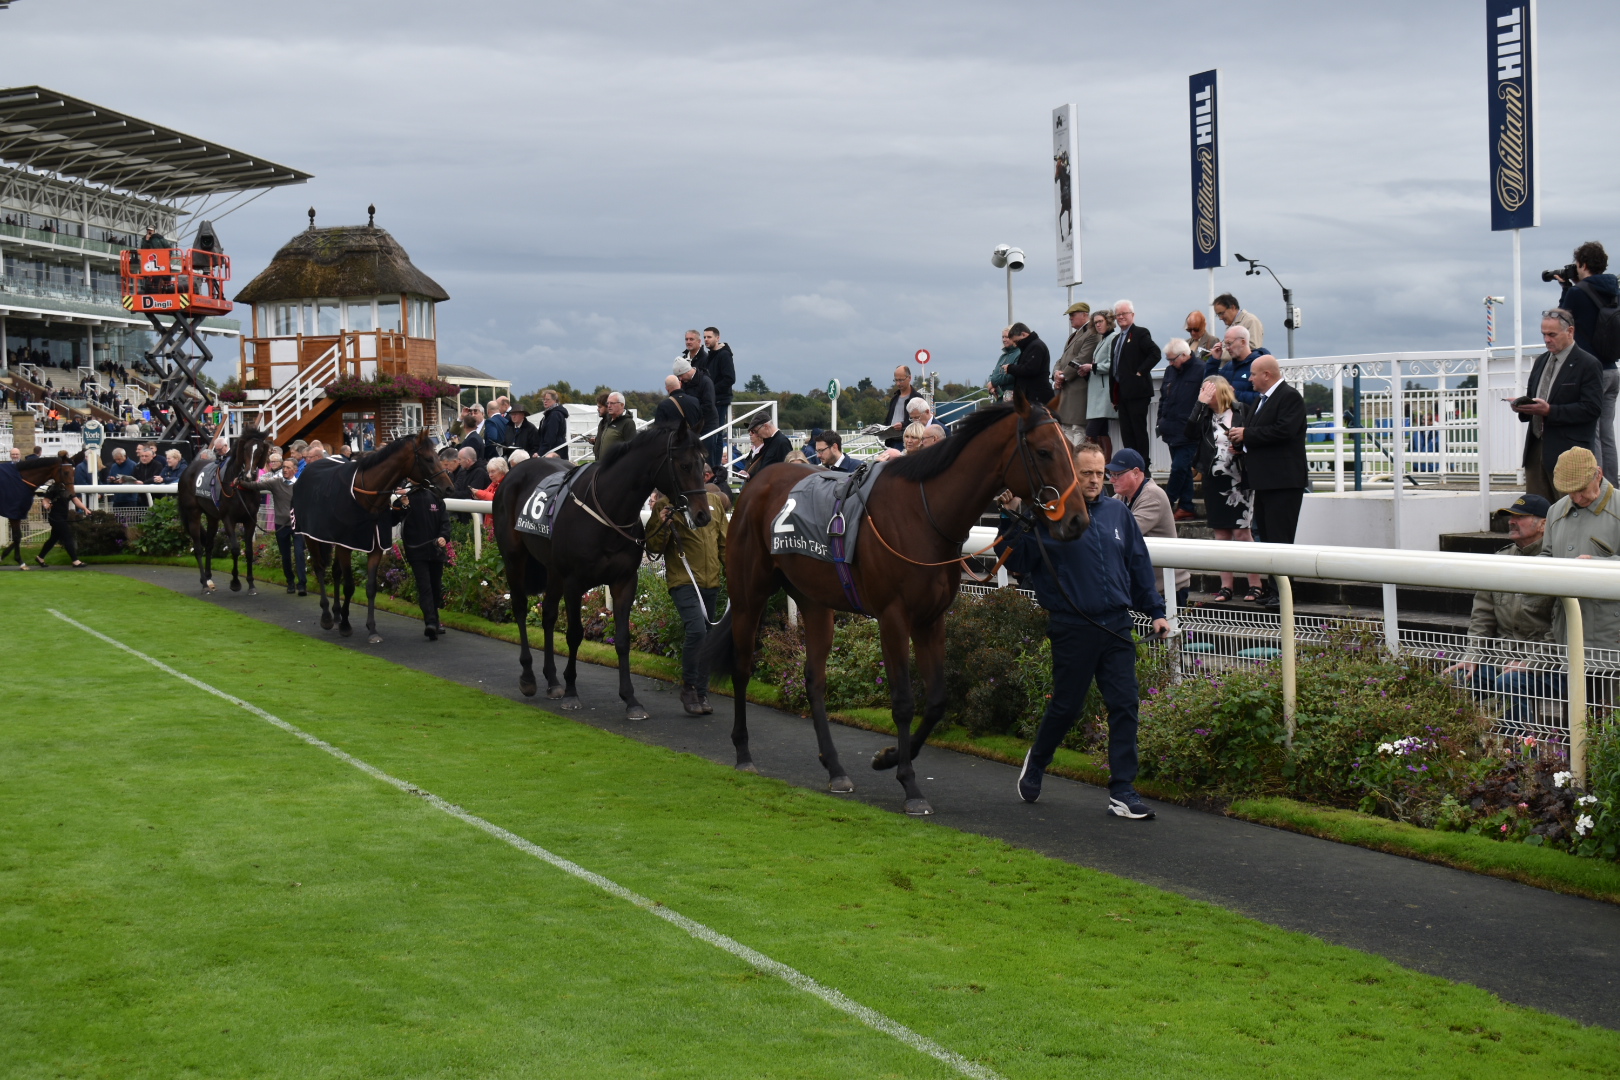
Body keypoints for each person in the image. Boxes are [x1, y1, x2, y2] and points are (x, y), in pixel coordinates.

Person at [995, 441, 1168, 818]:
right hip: (1072, 627)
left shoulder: (1118, 514)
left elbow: (1138, 564)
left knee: (1125, 705)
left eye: (1099, 473)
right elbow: (1018, 561)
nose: (1094, 480)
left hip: (1118, 625)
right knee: (1067, 707)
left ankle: (1123, 791)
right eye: (1086, 473)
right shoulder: (1047, 515)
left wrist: (1156, 611)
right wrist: (1011, 516)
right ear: (1071, 473)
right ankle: (1038, 762)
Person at [1442, 494, 1557, 733]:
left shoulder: (1558, 563)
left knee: (1509, 682)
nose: (1512, 521)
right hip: (1500, 658)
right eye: (1510, 517)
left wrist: (1531, 662)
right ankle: (1463, 755)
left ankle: (1519, 758)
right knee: (1453, 681)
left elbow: (1562, 629)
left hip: (1549, 663)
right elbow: (1482, 618)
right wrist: (1472, 656)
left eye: (1521, 517)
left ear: (1544, 523)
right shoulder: (1499, 561)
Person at [645, 484, 729, 714]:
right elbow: (653, 547)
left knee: (708, 637)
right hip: (683, 580)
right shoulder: (666, 505)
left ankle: (701, 694)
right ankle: (689, 688)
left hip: (711, 581)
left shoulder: (714, 503)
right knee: (697, 631)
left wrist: (734, 574)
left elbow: (724, 543)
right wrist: (662, 524)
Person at [1231, 356, 1308, 604]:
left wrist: (1247, 434)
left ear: (1267, 374)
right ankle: (1276, 591)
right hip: (1265, 482)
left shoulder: (1289, 397)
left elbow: (1284, 431)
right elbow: (1262, 434)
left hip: (1284, 482)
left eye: (1253, 374)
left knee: (1280, 539)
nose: (1249, 379)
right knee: (1268, 538)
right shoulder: (1261, 401)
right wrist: (1241, 444)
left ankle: (1284, 593)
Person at [1186, 375, 1263, 602]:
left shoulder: (1241, 410)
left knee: (1242, 532)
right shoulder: (1204, 415)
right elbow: (1189, 433)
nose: (1204, 394)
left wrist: (1242, 447)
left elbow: (1255, 437)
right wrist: (1199, 403)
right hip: (1213, 478)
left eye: (1207, 391)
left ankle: (1255, 583)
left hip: (1239, 478)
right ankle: (1226, 585)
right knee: (1221, 533)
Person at [1513, 309, 1603, 501]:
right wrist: (1523, 407)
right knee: (1538, 515)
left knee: (1570, 512)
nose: (1546, 340)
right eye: (1544, 334)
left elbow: (1592, 409)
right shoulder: (1541, 361)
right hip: (1536, 449)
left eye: (1552, 334)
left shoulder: (1588, 364)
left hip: (1569, 452)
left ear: (1570, 332)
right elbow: (1533, 396)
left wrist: (1550, 411)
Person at [1553, 242, 1620, 482]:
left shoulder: (1577, 292)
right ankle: (1613, 488)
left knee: (1593, 433)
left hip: (1592, 371)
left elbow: (1560, 320)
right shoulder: (1614, 290)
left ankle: (1598, 486)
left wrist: (1565, 288)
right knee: (1607, 434)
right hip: (1612, 370)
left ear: (1582, 264)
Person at [1543, 447, 1620, 649]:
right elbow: (1546, 557)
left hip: (1609, 643)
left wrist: (1595, 566)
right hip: (1565, 638)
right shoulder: (1555, 510)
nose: (1576, 498)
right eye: (1569, 491)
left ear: (1599, 474)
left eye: (1582, 489)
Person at [1107, 448, 1190, 607]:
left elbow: (1124, 531)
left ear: (1136, 473)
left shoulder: (1153, 495)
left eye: (1117, 475)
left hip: (1167, 588)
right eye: (1111, 474)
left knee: (1164, 631)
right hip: (1148, 586)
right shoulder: (1122, 496)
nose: (1112, 480)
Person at [393, 481, 452, 639]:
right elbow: (393, 519)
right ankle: (430, 622)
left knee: (436, 587)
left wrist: (443, 537)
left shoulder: (435, 497)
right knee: (424, 586)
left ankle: (435, 620)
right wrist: (404, 506)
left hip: (436, 551)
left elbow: (445, 523)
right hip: (417, 552)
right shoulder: (405, 498)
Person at [242, 457, 306, 594]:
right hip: (281, 524)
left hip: (297, 526)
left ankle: (302, 584)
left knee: (299, 553)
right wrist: (240, 483)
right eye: (284, 467)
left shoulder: (300, 485)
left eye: (288, 468)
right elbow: (256, 486)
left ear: (295, 470)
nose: (285, 470)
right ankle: (290, 582)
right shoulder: (276, 483)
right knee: (285, 555)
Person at [1155, 338, 1202, 521]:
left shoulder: (1200, 370)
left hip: (1189, 429)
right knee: (1182, 470)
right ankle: (1186, 506)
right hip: (1171, 428)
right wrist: (1161, 419)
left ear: (1184, 355)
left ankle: (1167, 502)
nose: (1170, 363)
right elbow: (1164, 399)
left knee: (1179, 468)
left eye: (1172, 359)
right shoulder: (1170, 371)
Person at [1109, 300, 1161, 459]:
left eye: (1124, 314)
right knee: (1126, 431)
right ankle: (1130, 463)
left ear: (1132, 315)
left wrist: (1140, 372)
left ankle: (1143, 464)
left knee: (1138, 429)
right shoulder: (1116, 339)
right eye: (1118, 314)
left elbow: (1155, 354)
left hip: (1137, 392)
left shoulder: (1140, 333)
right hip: (1122, 392)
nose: (1121, 317)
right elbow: (1114, 367)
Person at [1052, 302, 1096, 438]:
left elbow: (1082, 359)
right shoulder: (1074, 335)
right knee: (1066, 428)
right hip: (1068, 389)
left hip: (1079, 388)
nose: (1070, 318)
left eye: (1073, 315)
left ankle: (1077, 459)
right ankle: (1070, 458)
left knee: (1078, 428)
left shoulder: (1092, 334)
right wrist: (1056, 373)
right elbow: (1062, 359)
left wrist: (1063, 376)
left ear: (1084, 315)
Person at [1206, 325, 1270, 407]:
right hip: (1230, 418)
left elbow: (1264, 397)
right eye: (1225, 345)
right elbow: (1210, 387)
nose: (1227, 348)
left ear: (1243, 342)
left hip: (1250, 418)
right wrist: (1214, 361)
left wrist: (1235, 394)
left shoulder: (1259, 365)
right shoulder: (1228, 366)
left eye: (1229, 343)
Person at [1083, 309, 1118, 461]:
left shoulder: (1113, 338)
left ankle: (1089, 464)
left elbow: (1113, 364)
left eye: (1100, 322)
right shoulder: (1104, 339)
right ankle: (1105, 466)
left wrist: (1092, 367)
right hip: (1098, 392)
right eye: (1095, 322)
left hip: (1104, 394)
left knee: (1091, 433)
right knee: (1102, 432)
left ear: (1108, 322)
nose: (1097, 325)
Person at [701, 327, 736, 471]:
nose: (706, 340)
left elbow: (730, 378)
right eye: (705, 337)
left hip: (720, 400)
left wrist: (711, 391)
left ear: (717, 338)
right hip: (712, 401)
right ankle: (712, 467)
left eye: (709, 337)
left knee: (716, 435)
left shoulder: (724, 355)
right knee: (712, 435)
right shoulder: (710, 356)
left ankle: (715, 468)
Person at [36, 480, 88, 568]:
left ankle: (40, 557)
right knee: (67, 536)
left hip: (63, 517)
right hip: (55, 517)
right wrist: (46, 506)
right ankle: (75, 560)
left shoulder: (69, 489)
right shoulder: (53, 488)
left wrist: (85, 509)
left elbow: (75, 500)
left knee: (53, 539)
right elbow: (45, 500)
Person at [879, 366, 927, 450]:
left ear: (909, 378)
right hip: (891, 441)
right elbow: (888, 419)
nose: (898, 383)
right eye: (896, 380)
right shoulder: (894, 398)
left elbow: (921, 420)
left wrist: (903, 425)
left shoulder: (917, 398)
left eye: (901, 380)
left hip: (906, 442)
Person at [1006, 322, 1053, 407]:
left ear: (1023, 334)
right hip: (1032, 395)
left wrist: (1010, 368)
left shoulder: (1036, 346)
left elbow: (1030, 369)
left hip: (1038, 397)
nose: (1016, 345)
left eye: (1016, 341)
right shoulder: (1030, 347)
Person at [736, 413, 790, 483]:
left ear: (766, 426)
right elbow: (765, 468)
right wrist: (750, 475)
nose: (757, 434)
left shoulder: (782, 442)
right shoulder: (769, 441)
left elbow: (787, 470)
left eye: (756, 431)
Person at [675, 357, 718, 439]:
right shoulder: (684, 384)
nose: (680, 379)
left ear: (687, 371)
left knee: (707, 451)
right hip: (693, 426)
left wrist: (692, 414)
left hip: (707, 425)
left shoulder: (706, 382)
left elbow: (708, 405)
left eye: (681, 375)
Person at [594, 392, 636, 461]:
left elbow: (632, 450)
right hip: (602, 467)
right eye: (608, 403)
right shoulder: (608, 421)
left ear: (622, 405)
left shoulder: (628, 423)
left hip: (616, 469)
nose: (609, 406)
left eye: (612, 403)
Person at [987, 326, 1020, 402]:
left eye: (1006, 337)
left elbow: (1013, 375)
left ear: (1014, 337)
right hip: (1000, 400)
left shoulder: (1019, 354)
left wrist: (993, 382)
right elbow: (993, 373)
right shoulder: (1002, 357)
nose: (1004, 340)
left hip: (1012, 401)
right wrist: (991, 385)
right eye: (1003, 337)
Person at [535, 389, 569, 458]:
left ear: (555, 400)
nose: (545, 401)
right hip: (555, 449)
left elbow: (550, 436)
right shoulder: (550, 414)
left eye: (547, 399)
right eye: (544, 399)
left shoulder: (554, 415)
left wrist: (540, 453)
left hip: (555, 451)